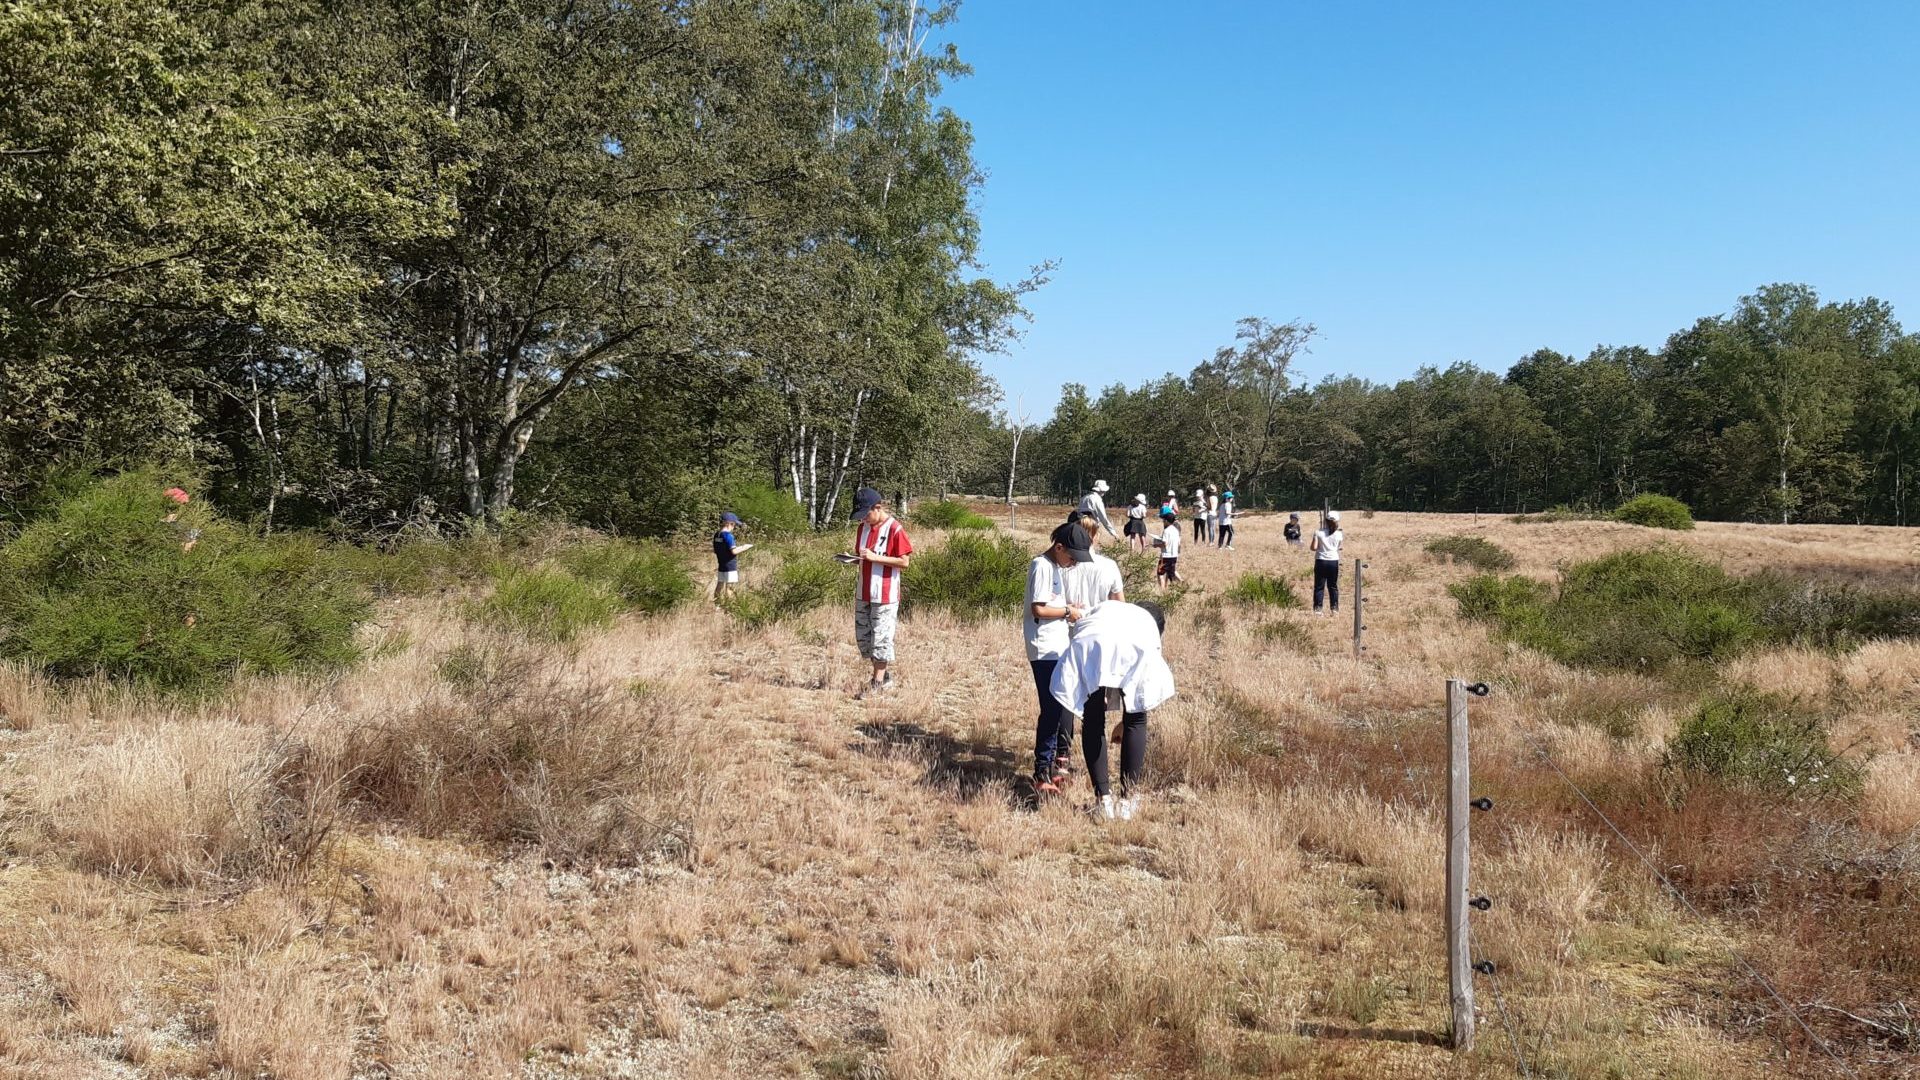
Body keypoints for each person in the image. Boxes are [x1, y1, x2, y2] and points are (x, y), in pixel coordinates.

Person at [1050, 600, 1174, 821]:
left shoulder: (1111, 608)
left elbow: (1084, 631)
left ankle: (1103, 801)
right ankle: (1126, 803)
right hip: (1121, 644)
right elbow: (1137, 698)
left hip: (1090, 642)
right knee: (1137, 719)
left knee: (1093, 718)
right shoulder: (1148, 626)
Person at [1025, 521, 1095, 795]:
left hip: (1056, 645)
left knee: (1057, 707)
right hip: (1043, 649)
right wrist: (1067, 611)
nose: (1074, 563)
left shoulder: (1055, 567)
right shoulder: (1042, 566)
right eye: (1072, 557)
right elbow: (1039, 609)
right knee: (1052, 709)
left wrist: (1070, 608)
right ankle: (1041, 769)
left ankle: (1051, 765)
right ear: (1059, 546)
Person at [847, 487, 913, 698]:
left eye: (866, 514)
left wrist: (877, 558)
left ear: (878, 508)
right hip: (864, 591)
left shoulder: (895, 529)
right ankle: (884, 677)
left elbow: (904, 562)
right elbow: (864, 556)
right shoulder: (862, 528)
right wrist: (853, 559)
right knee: (864, 638)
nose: (864, 519)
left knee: (881, 639)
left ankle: (877, 683)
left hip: (885, 594)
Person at [711, 511, 752, 603]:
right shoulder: (728, 536)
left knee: (719, 585)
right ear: (730, 523)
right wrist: (745, 547)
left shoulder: (717, 535)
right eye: (734, 525)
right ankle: (729, 606)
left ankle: (716, 604)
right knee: (729, 587)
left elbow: (715, 550)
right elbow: (734, 551)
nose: (734, 527)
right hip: (730, 566)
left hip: (721, 565)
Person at [1310, 510, 1344, 614]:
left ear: (1325, 520)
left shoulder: (1318, 532)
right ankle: (1334, 609)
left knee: (1319, 586)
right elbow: (1339, 547)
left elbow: (1313, 548)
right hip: (1333, 561)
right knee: (1333, 586)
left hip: (1321, 560)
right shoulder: (1339, 534)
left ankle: (1318, 609)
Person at [1152, 508, 1181, 589]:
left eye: (1164, 520)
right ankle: (1178, 589)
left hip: (1165, 556)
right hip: (1174, 556)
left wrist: (1156, 545)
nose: (1163, 522)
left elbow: (1165, 544)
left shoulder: (1166, 531)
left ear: (1167, 521)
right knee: (1171, 574)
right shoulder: (1176, 530)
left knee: (1160, 574)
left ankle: (1162, 591)